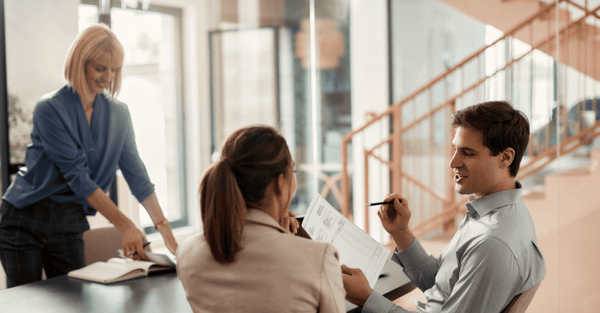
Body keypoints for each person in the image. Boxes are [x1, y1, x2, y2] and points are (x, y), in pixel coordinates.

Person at [0, 24, 178, 288]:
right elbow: (78, 178)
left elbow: (137, 175)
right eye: (100, 68)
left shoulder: (119, 114)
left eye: (114, 69)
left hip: (70, 220)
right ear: (80, 64)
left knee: (76, 299)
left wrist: (166, 231)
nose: (108, 77)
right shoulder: (50, 109)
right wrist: (126, 226)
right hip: (26, 218)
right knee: (26, 301)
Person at [342, 101, 546, 312]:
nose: (453, 162)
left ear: (505, 157)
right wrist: (401, 233)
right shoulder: (490, 213)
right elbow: (441, 282)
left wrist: (367, 299)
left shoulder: (492, 243)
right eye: (455, 149)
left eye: (468, 153)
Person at [177, 126, 346, 313]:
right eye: (293, 172)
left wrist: (282, 238)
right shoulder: (318, 259)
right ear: (279, 183)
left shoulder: (186, 252)